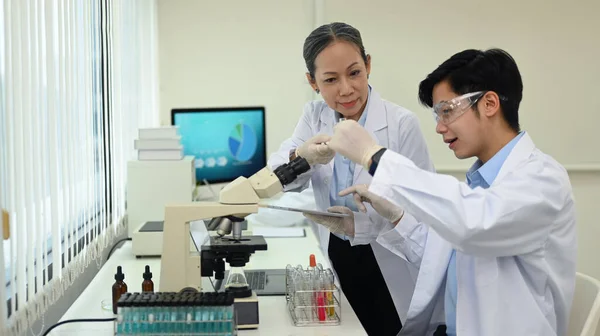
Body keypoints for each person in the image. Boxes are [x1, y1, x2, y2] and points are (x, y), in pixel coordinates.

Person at [326, 48, 577, 336]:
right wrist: (395, 217)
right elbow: (444, 255)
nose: (439, 127)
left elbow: (474, 225)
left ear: (490, 103)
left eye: (447, 111)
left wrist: (375, 156)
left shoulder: (543, 179)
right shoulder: (480, 183)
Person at [267, 22, 436, 335]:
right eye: (330, 79)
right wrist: (301, 157)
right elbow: (281, 177)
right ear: (312, 81)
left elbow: (425, 214)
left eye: (354, 72)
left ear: (368, 65)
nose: (345, 89)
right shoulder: (314, 116)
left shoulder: (400, 124)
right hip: (337, 253)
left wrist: (366, 225)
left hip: (389, 260)